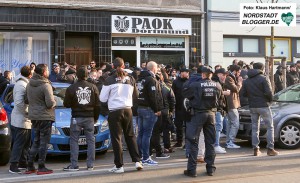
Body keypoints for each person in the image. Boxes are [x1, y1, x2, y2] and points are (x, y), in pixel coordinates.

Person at [100, 57, 143, 173]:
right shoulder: (131, 79)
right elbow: (136, 95)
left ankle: (119, 166)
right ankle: (137, 161)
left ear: (113, 66)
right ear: (123, 66)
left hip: (115, 111)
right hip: (128, 109)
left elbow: (102, 98)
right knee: (130, 135)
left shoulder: (109, 79)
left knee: (117, 138)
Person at [182, 66, 223, 177]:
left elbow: (185, 94)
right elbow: (220, 101)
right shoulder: (217, 85)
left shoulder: (195, 85)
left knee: (193, 141)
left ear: (203, 74)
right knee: (210, 142)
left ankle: (192, 170)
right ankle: (210, 169)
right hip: (211, 115)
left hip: (198, 114)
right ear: (211, 74)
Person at [63, 66, 100, 171]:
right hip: (89, 117)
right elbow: (98, 105)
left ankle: (74, 165)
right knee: (91, 140)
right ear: (87, 75)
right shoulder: (93, 87)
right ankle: (90, 164)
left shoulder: (71, 88)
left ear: (76, 75)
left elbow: (66, 104)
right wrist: (95, 117)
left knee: (74, 140)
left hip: (76, 117)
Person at [241, 62, 279, 156]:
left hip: (252, 106)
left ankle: (256, 149)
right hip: (263, 105)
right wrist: (270, 101)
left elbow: (243, 94)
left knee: (255, 127)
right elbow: (269, 92)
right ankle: (270, 149)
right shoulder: (263, 78)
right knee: (270, 127)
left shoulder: (246, 80)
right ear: (261, 69)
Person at [26, 64, 56, 175]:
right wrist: (55, 102)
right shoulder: (45, 85)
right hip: (45, 116)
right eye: (47, 70)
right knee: (44, 142)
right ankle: (41, 166)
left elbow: (26, 99)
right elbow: (49, 103)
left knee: (36, 141)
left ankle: (30, 165)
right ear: (43, 72)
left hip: (34, 116)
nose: (48, 72)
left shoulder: (29, 84)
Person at [137, 61, 163, 166]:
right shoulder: (151, 80)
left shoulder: (140, 79)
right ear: (153, 68)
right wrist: (157, 109)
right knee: (146, 135)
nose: (157, 70)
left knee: (141, 134)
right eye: (156, 68)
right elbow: (154, 96)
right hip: (148, 109)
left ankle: (140, 155)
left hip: (140, 108)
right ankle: (146, 157)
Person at [9, 66, 33, 174]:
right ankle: (13, 165)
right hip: (21, 119)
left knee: (25, 144)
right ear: (30, 75)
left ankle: (23, 163)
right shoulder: (21, 85)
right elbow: (19, 103)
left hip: (23, 119)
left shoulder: (22, 83)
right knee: (19, 144)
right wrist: (28, 113)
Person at [224, 65, 243, 149]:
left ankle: (229, 141)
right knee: (235, 123)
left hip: (231, 103)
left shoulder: (230, 77)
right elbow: (236, 89)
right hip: (231, 103)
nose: (239, 74)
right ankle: (230, 141)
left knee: (230, 123)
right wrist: (240, 83)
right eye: (239, 72)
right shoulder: (229, 78)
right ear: (235, 71)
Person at [213, 68, 230, 154]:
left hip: (219, 108)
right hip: (217, 108)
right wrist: (224, 93)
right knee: (218, 127)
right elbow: (214, 94)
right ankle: (216, 145)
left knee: (219, 127)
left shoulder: (219, 83)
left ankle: (216, 144)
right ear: (218, 74)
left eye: (225, 75)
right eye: (223, 75)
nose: (225, 77)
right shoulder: (215, 83)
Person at [172, 67, 189, 148]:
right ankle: (179, 141)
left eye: (186, 72)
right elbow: (173, 94)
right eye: (184, 72)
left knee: (187, 126)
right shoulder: (175, 82)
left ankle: (187, 143)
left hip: (187, 107)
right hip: (178, 106)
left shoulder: (189, 82)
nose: (185, 74)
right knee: (178, 125)